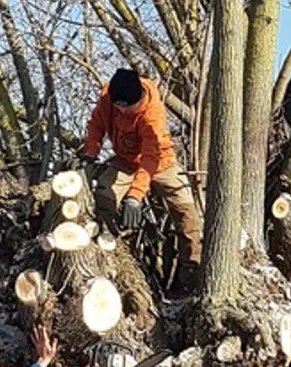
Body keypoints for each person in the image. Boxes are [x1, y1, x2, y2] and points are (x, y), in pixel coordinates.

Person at [83, 66, 203, 285]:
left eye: (131, 108)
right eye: (123, 108)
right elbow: (96, 126)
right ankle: (111, 251)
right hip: (125, 161)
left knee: (186, 210)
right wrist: (90, 153)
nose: (126, 112)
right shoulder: (107, 98)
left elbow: (150, 156)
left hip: (160, 161)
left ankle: (191, 269)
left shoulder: (152, 113)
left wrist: (135, 196)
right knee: (103, 194)